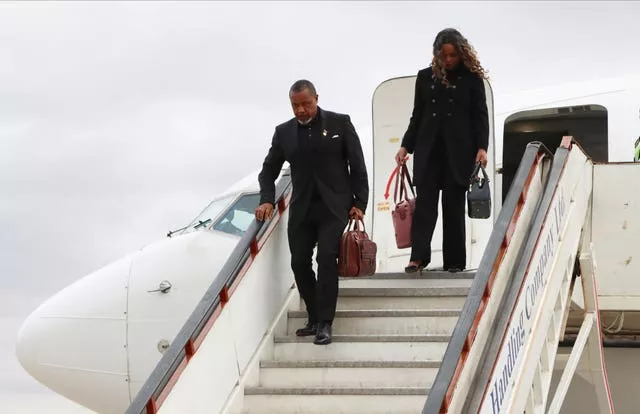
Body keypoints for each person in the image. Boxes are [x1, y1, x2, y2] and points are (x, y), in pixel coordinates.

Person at [255, 80, 369, 345]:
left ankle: (326, 323)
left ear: (316, 98)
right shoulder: (283, 133)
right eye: (295, 106)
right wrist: (266, 200)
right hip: (303, 208)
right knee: (299, 262)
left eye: (306, 104)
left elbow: (357, 166)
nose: (301, 110)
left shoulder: (340, 123)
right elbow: (268, 171)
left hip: (335, 206)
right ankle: (314, 316)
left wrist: (359, 203)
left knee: (327, 257)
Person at [394, 28, 489, 274]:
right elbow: (417, 115)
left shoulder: (472, 79)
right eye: (443, 55)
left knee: (453, 205)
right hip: (429, 149)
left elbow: (480, 116)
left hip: (458, 152)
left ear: (461, 53)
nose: (448, 60)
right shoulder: (425, 77)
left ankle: (455, 261)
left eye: (453, 55)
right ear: (436, 54)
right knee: (425, 204)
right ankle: (418, 258)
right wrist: (406, 145)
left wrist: (482, 147)